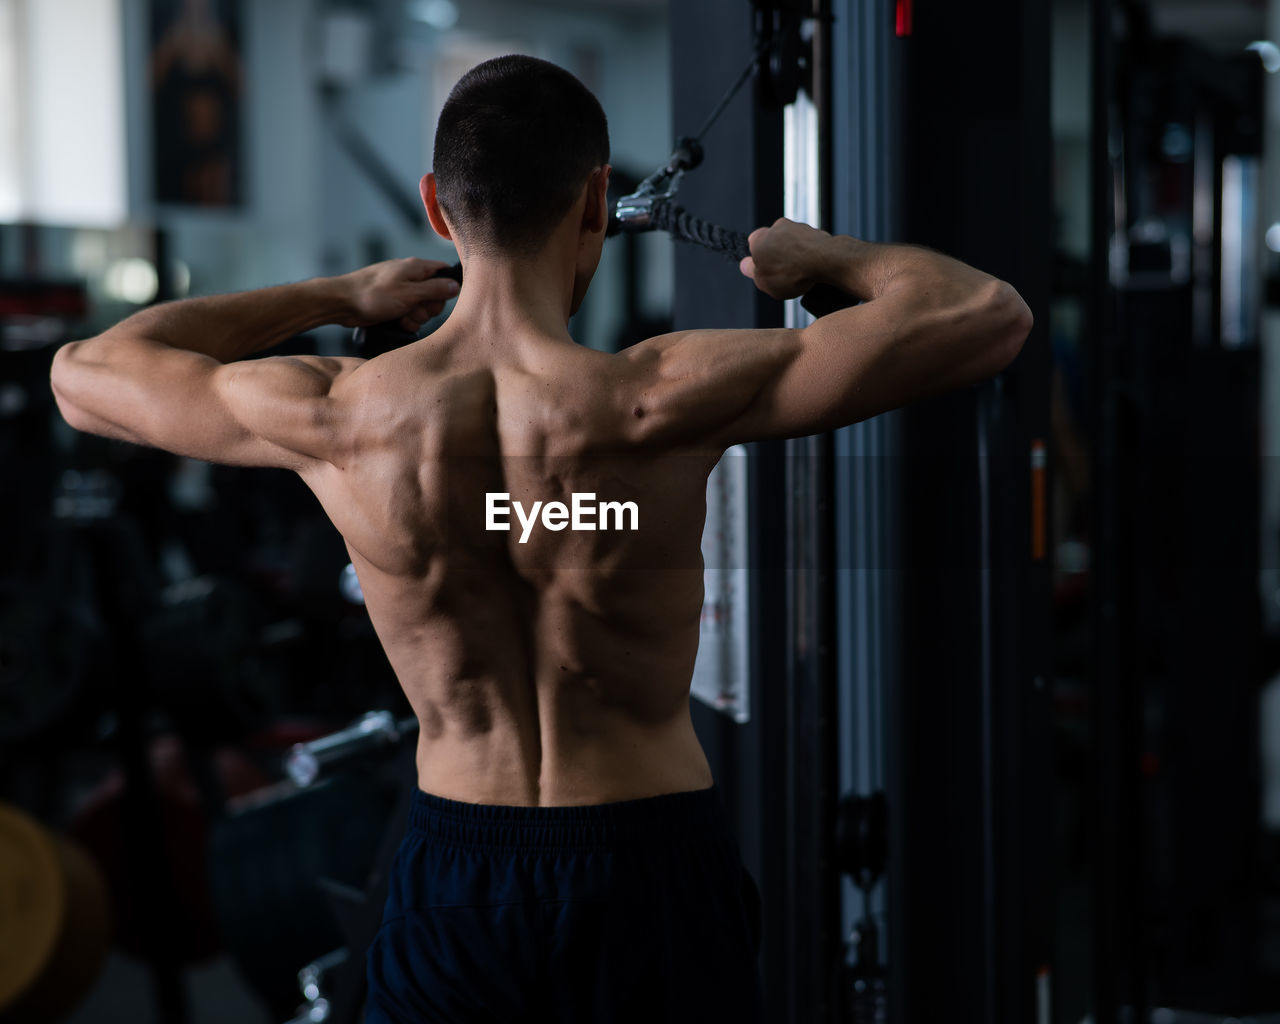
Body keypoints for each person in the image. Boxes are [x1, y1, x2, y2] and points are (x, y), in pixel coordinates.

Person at [51, 54, 1032, 1024]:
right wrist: (823, 260)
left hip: (456, 874)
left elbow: (88, 372)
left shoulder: (339, 413)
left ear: (436, 207)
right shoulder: (659, 395)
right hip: (647, 864)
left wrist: (336, 295)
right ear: (597, 199)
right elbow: (985, 316)